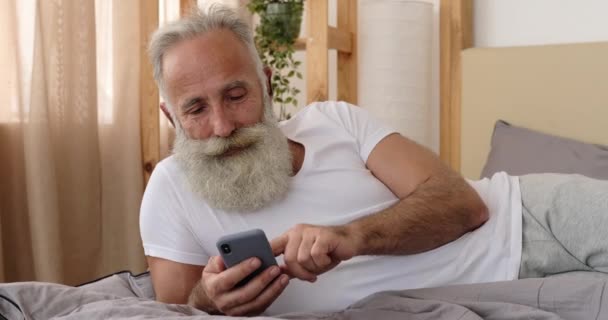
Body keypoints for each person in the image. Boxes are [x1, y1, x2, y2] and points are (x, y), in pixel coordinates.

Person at [140, 6, 608, 317]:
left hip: (530, 217)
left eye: (236, 95)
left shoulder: (333, 120)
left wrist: (351, 237)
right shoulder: (170, 190)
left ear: (265, 84)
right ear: (171, 116)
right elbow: (177, 307)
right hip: (468, 297)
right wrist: (212, 300)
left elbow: (463, 202)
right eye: (196, 109)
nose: (223, 126)